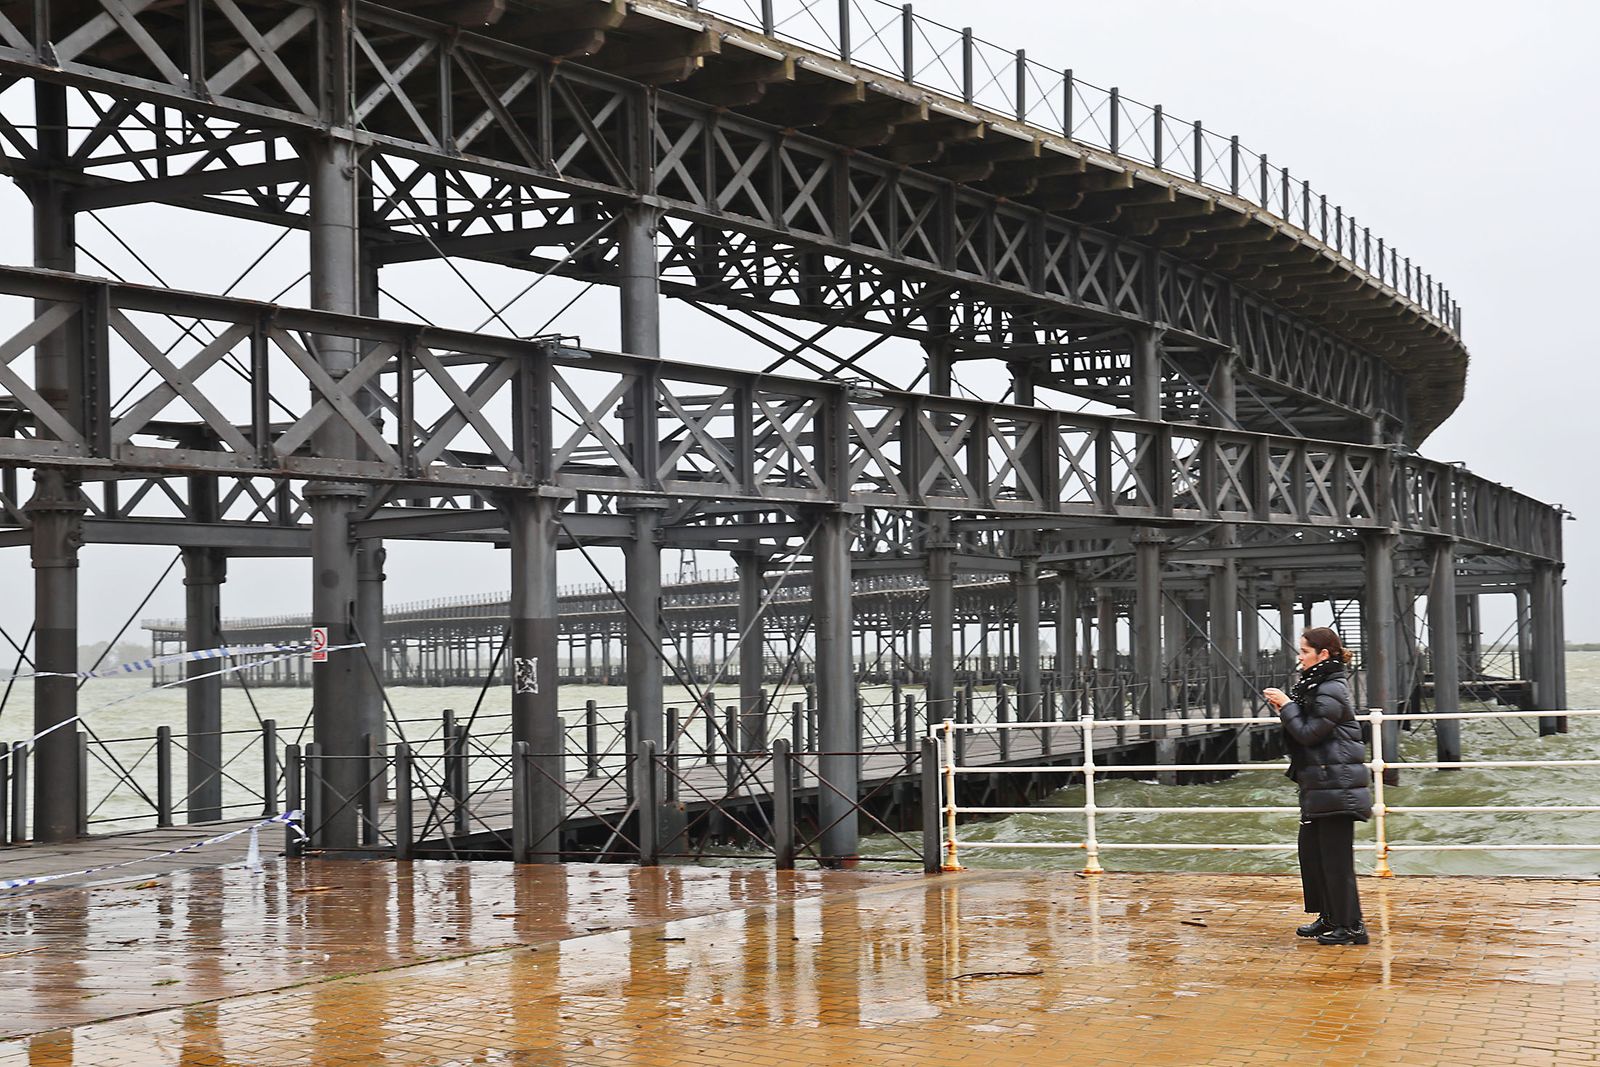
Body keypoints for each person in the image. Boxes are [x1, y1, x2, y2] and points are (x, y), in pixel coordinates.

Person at [1262, 627, 1373, 946]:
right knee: (1312, 854)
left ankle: (1352, 927)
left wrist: (1286, 705)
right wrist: (1287, 708)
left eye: (1304, 651)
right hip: (1319, 783)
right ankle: (1330, 917)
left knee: (1336, 861)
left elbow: (1310, 734)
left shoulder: (1331, 688)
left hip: (1337, 786)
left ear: (1323, 654)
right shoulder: (1316, 684)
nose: (1300, 657)